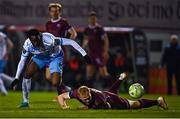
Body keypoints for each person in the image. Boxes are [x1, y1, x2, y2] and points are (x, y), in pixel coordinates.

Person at [11, 29, 91, 107]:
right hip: (40, 57)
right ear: (29, 40)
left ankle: (62, 87)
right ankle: (25, 102)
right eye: (33, 41)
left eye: (37, 40)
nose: (35, 43)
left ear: (40, 36)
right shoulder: (27, 45)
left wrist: (84, 54)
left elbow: (71, 42)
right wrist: (16, 77)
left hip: (55, 57)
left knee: (55, 83)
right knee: (27, 74)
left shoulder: (50, 40)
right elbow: (22, 61)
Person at [57, 73, 168, 110]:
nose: (86, 100)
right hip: (107, 93)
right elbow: (60, 97)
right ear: (79, 96)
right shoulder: (76, 93)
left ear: (90, 93)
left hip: (114, 101)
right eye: (84, 99)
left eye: (88, 98)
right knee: (112, 91)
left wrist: (89, 108)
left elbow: (108, 108)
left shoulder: (99, 100)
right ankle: (120, 78)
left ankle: (158, 101)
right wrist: (64, 106)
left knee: (135, 105)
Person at [46, 2, 77, 95]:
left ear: (60, 12)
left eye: (56, 11)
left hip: (59, 51)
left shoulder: (63, 22)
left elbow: (74, 33)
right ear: (50, 12)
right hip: (50, 51)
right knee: (48, 77)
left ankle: (61, 94)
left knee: (57, 74)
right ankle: (64, 87)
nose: (54, 13)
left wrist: (67, 42)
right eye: (52, 11)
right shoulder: (48, 24)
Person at [82, 11, 110, 88]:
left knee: (103, 72)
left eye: (94, 18)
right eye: (91, 18)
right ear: (89, 19)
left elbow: (106, 40)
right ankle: (88, 90)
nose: (92, 20)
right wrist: (83, 46)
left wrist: (105, 51)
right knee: (89, 72)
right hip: (91, 53)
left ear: (96, 19)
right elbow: (86, 39)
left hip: (99, 53)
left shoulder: (99, 29)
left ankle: (111, 87)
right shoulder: (87, 29)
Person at [0, 31, 14, 95]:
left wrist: (6, 54)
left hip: (2, 58)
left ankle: (3, 90)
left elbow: (11, 44)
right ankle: (11, 80)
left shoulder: (2, 35)